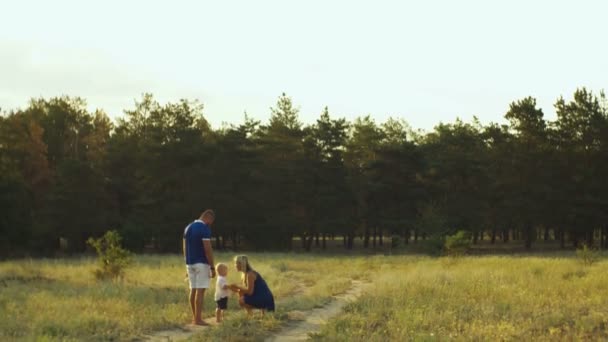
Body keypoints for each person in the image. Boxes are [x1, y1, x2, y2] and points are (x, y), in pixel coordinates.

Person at [183, 209, 216, 325]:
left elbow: (184, 247)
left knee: (193, 290)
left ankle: (194, 317)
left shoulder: (188, 227)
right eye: (211, 222)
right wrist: (212, 267)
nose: (210, 224)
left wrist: (186, 263)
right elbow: (208, 249)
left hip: (190, 263)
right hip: (201, 263)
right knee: (200, 291)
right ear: (208, 218)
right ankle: (198, 319)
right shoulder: (204, 228)